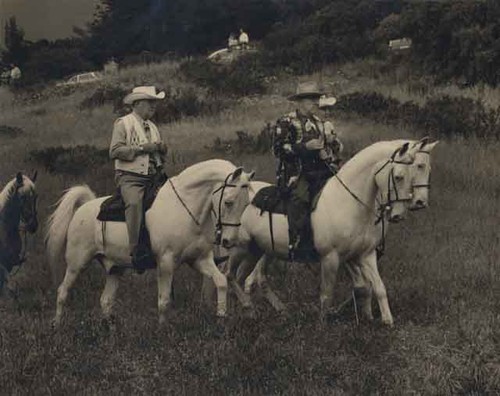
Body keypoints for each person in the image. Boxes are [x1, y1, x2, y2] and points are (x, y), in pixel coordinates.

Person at [272, 81, 342, 257]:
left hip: (321, 170)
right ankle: (297, 241)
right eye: (311, 100)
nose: (315, 103)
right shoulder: (286, 121)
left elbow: (330, 146)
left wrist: (327, 152)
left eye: (316, 99)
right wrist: (305, 147)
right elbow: (278, 149)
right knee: (300, 197)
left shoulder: (320, 123)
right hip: (296, 173)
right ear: (300, 102)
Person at [109, 86, 168, 268]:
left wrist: (162, 149)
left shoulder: (153, 126)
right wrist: (143, 148)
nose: (154, 107)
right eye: (151, 103)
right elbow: (115, 151)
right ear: (138, 103)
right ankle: (136, 250)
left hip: (154, 176)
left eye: (155, 103)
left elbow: (157, 153)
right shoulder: (123, 123)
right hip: (130, 177)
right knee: (134, 203)